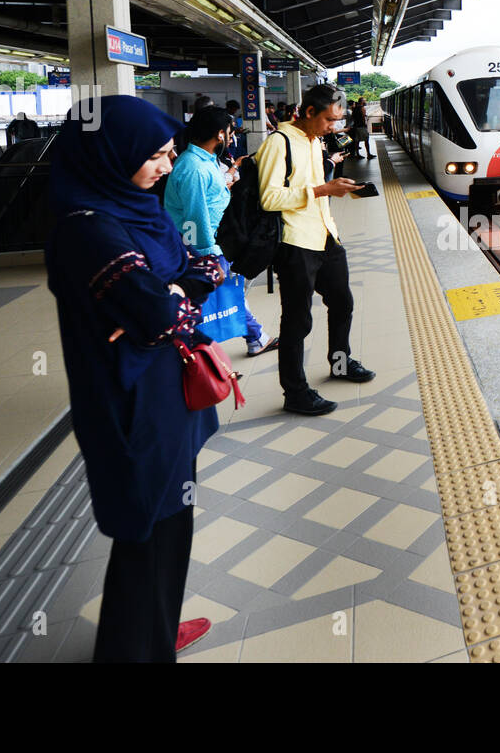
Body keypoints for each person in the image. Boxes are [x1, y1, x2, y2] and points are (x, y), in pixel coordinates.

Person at [46, 95, 223, 662]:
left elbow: (206, 269)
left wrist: (170, 295)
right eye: (156, 155)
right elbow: (160, 312)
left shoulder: (132, 209)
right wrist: (170, 299)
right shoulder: (87, 226)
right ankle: (136, 650)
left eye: (171, 154)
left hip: (167, 388)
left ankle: (152, 631)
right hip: (132, 400)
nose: (167, 167)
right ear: (111, 151)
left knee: (171, 521)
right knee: (148, 529)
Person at [257, 84, 374, 416]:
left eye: (337, 120)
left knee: (342, 302)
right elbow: (269, 198)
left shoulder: (314, 140)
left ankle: (340, 363)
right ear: (309, 113)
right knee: (297, 320)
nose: (334, 127)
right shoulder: (278, 144)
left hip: (326, 236)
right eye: (329, 120)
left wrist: (337, 189)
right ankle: (294, 393)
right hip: (295, 243)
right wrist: (323, 188)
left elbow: (313, 188)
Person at [163, 106, 274, 357]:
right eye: (230, 131)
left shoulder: (204, 160)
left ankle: (255, 337)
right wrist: (204, 256)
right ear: (220, 134)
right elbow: (194, 216)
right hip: (206, 246)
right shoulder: (194, 167)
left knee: (227, 295)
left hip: (218, 241)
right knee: (215, 298)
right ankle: (201, 353)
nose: (233, 136)